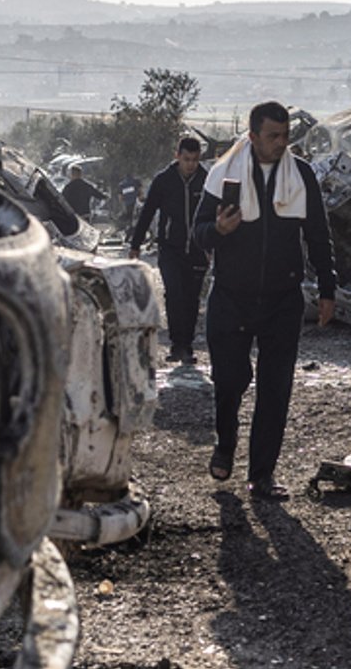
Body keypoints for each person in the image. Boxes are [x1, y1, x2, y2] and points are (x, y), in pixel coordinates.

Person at [193, 102, 337, 500]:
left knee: (276, 388)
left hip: (282, 299)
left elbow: (319, 236)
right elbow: (198, 233)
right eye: (273, 136)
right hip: (230, 297)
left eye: (285, 135)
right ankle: (225, 442)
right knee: (230, 379)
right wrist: (218, 229)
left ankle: (262, 475)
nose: (281, 143)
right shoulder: (224, 176)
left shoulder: (300, 175)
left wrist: (328, 288)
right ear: (253, 136)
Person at [128, 137, 209, 364]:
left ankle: (187, 345)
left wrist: (213, 245)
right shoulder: (164, 181)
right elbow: (147, 212)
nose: (190, 164)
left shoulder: (206, 180)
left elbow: (214, 214)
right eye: (186, 159)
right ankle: (176, 345)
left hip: (197, 249)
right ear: (177, 156)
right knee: (174, 294)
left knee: (192, 297)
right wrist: (135, 245)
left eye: (194, 160)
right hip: (170, 249)